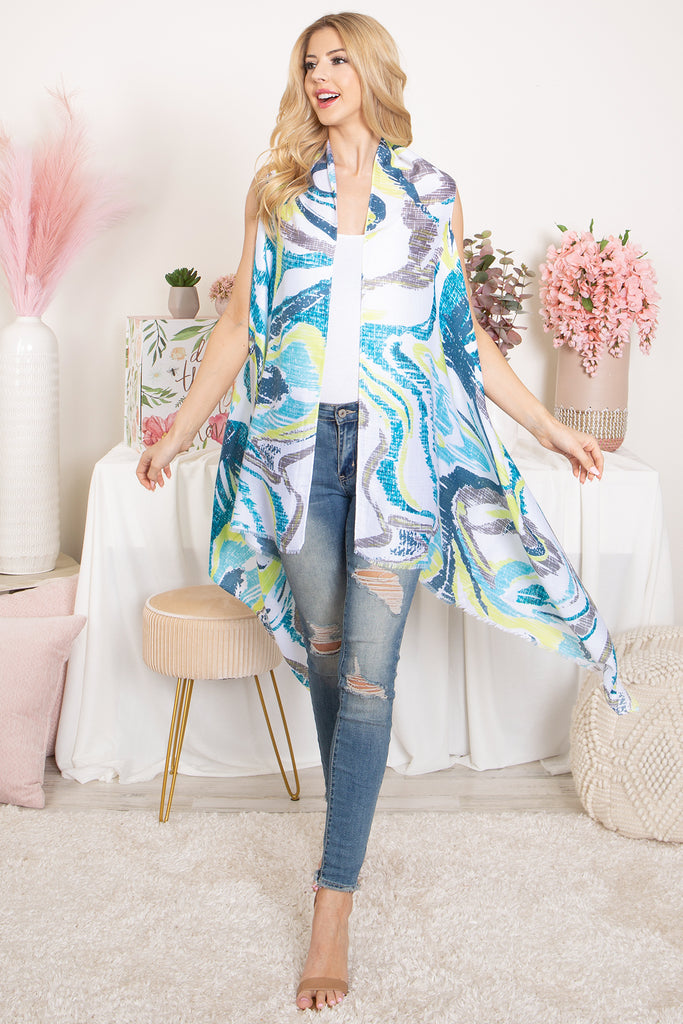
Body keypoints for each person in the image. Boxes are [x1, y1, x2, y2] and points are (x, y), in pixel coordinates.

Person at [137, 12, 634, 1010]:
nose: (321, 76)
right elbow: (234, 326)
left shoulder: (430, 193)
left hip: (397, 462)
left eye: (337, 60)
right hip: (297, 458)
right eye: (308, 63)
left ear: (370, 71)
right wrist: (179, 429)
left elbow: (464, 339)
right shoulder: (278, 191)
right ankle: (349, 829)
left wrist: (548, 427)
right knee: (327, 656)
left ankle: (332, 902)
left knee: (367, 680)